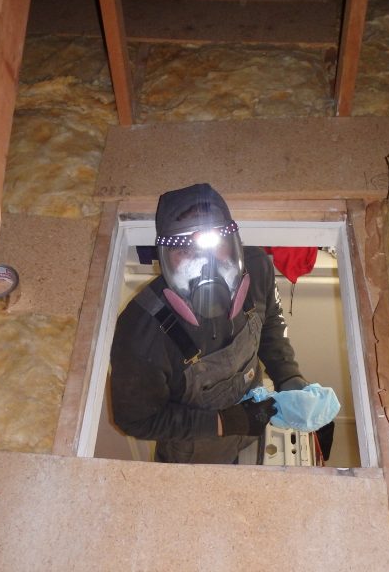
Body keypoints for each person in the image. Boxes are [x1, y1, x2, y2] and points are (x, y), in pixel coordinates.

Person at [109, 183, 333, 464]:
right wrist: (222, 423)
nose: (206, 265)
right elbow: (136, 421)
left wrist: (287, 374)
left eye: (217, 246)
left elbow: (270, 323)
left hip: (253, 424)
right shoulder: (141, 333)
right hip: (195, 454)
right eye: (185, 250)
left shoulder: (257, 268)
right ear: (165, 259)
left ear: (234, 243)